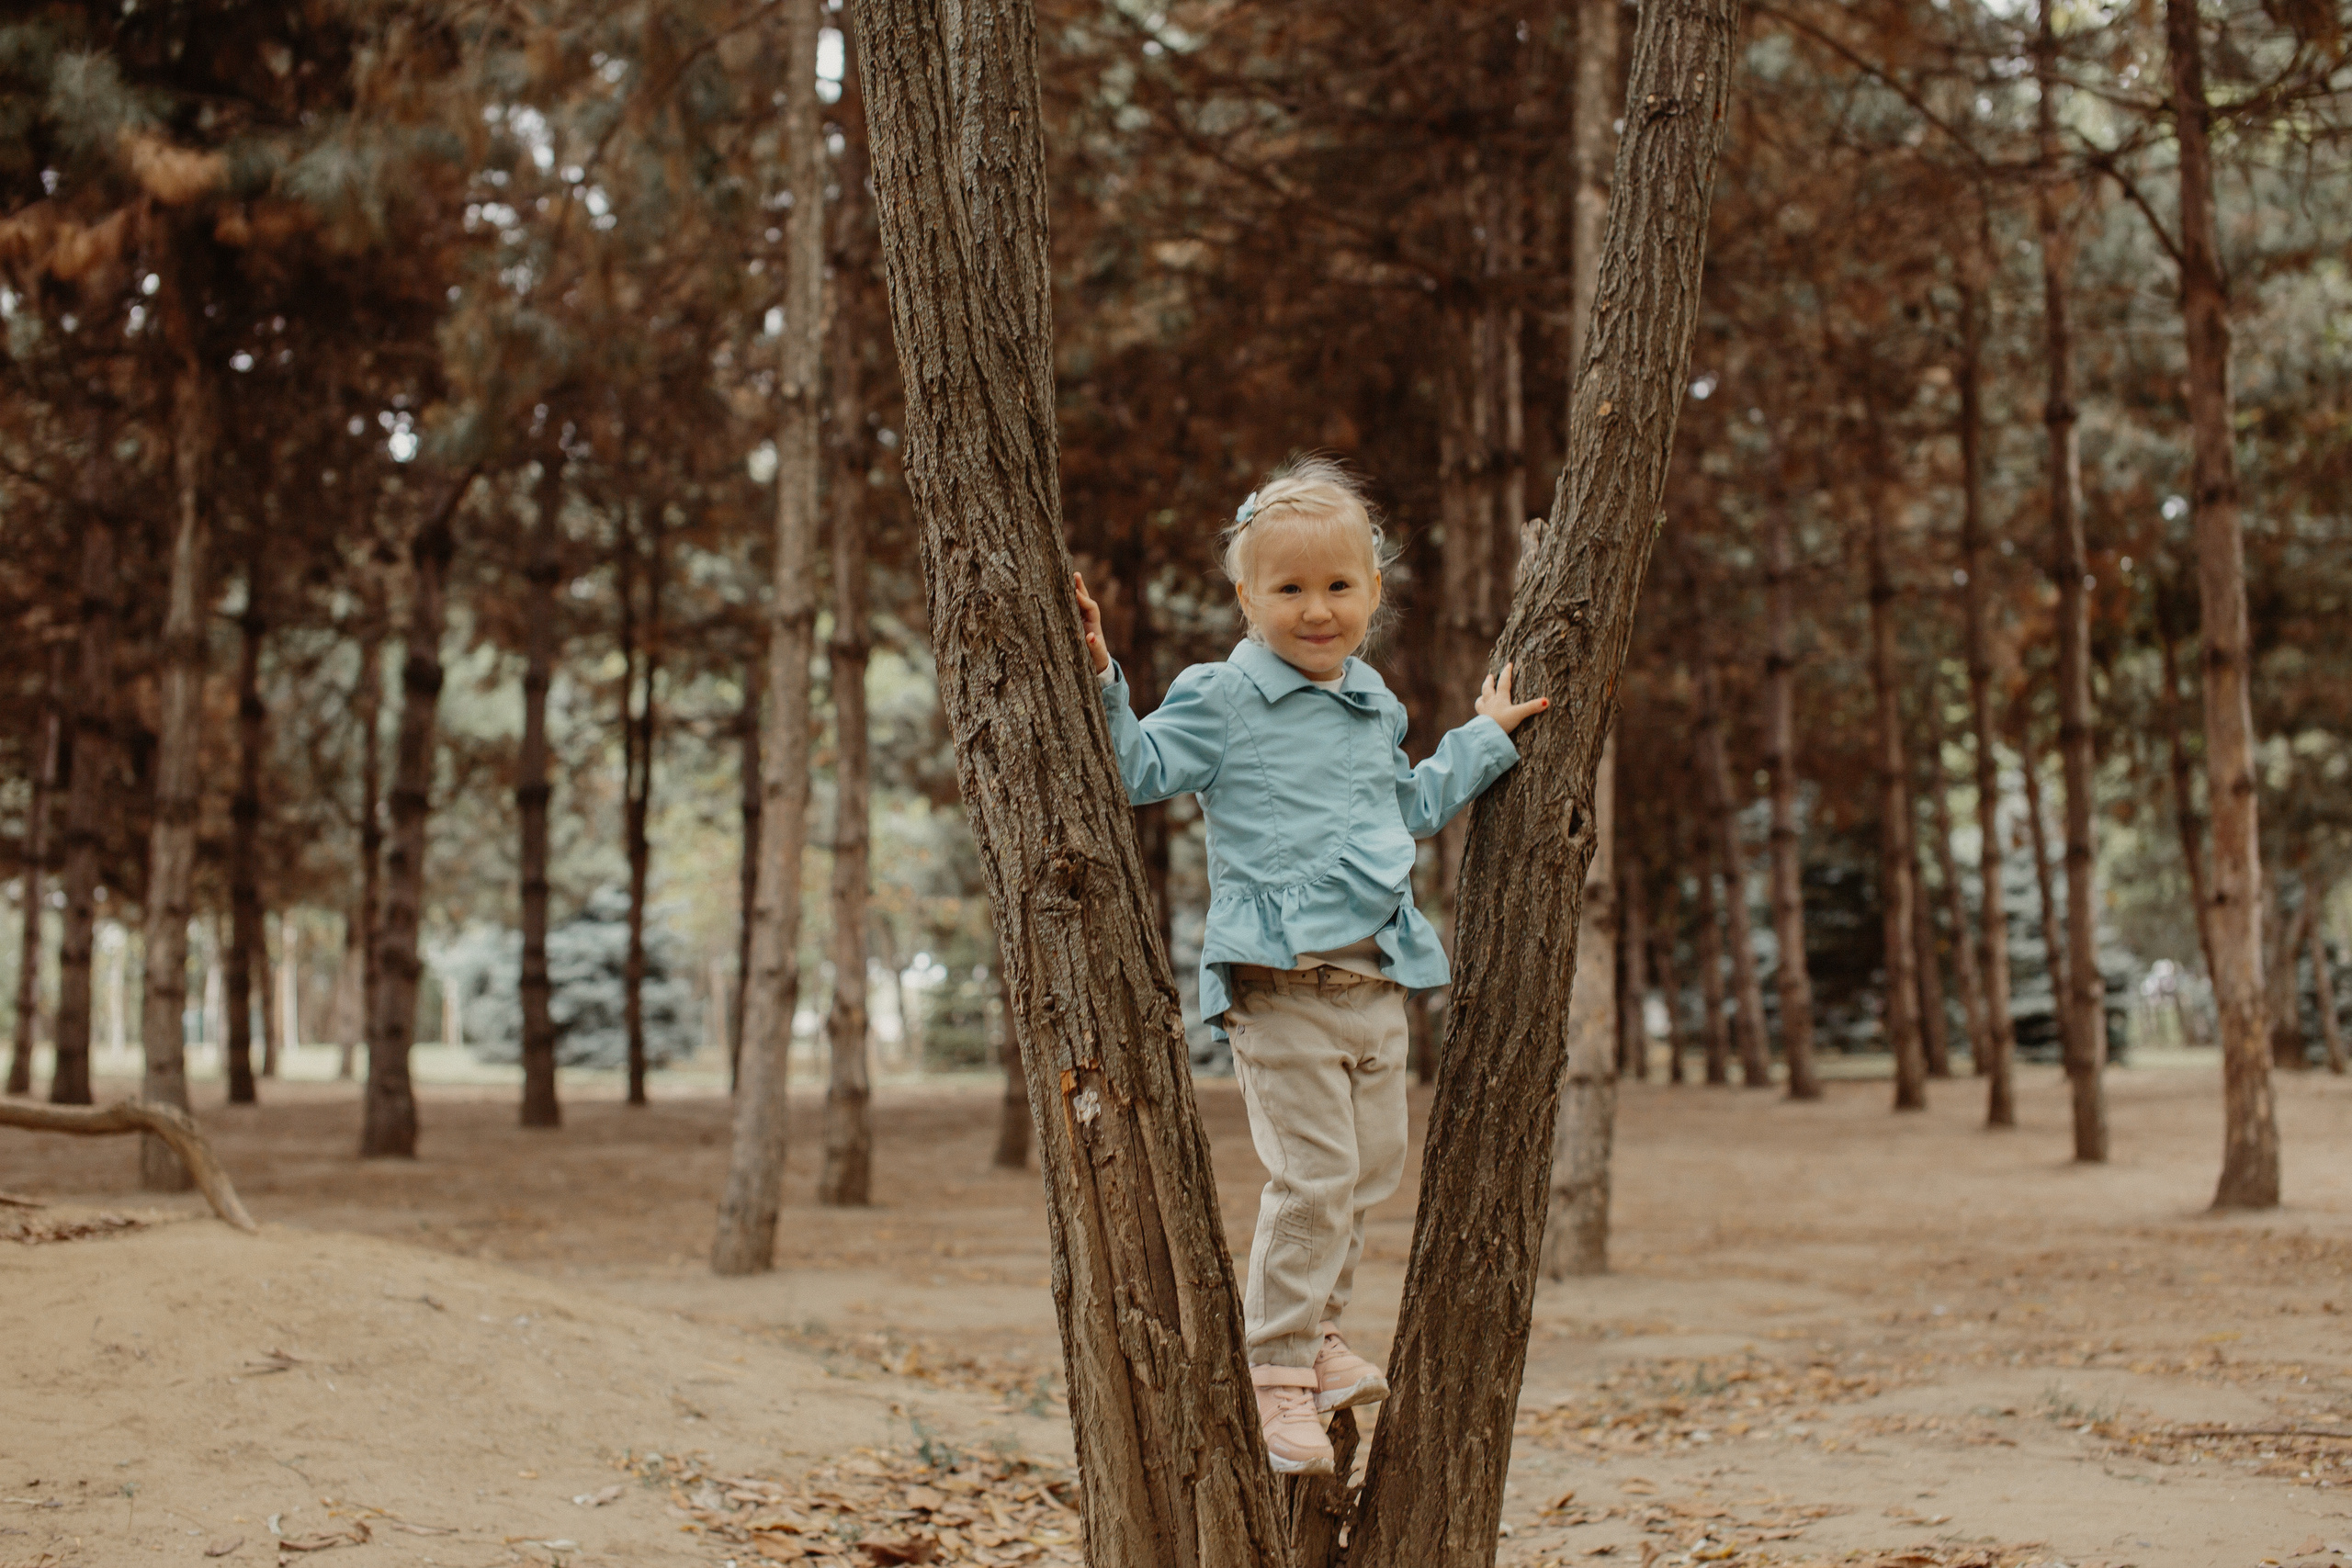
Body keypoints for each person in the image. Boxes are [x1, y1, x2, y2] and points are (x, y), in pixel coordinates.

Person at [1074, 456, 1547, 1476]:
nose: (1316, 610)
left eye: (1338, 586)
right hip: (1280, 990)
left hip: (1374, 984)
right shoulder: (1223, 699)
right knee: (1312, 1178)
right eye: (1288, 588)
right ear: (1246, 598)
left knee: (1370, 1172)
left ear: (1374, 590)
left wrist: (1485, 737)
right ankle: (1277, 1374)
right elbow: (1136, 770)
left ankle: (1321, 1336)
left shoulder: (1372, 706)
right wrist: (1101, 679)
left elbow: (1411, 808)